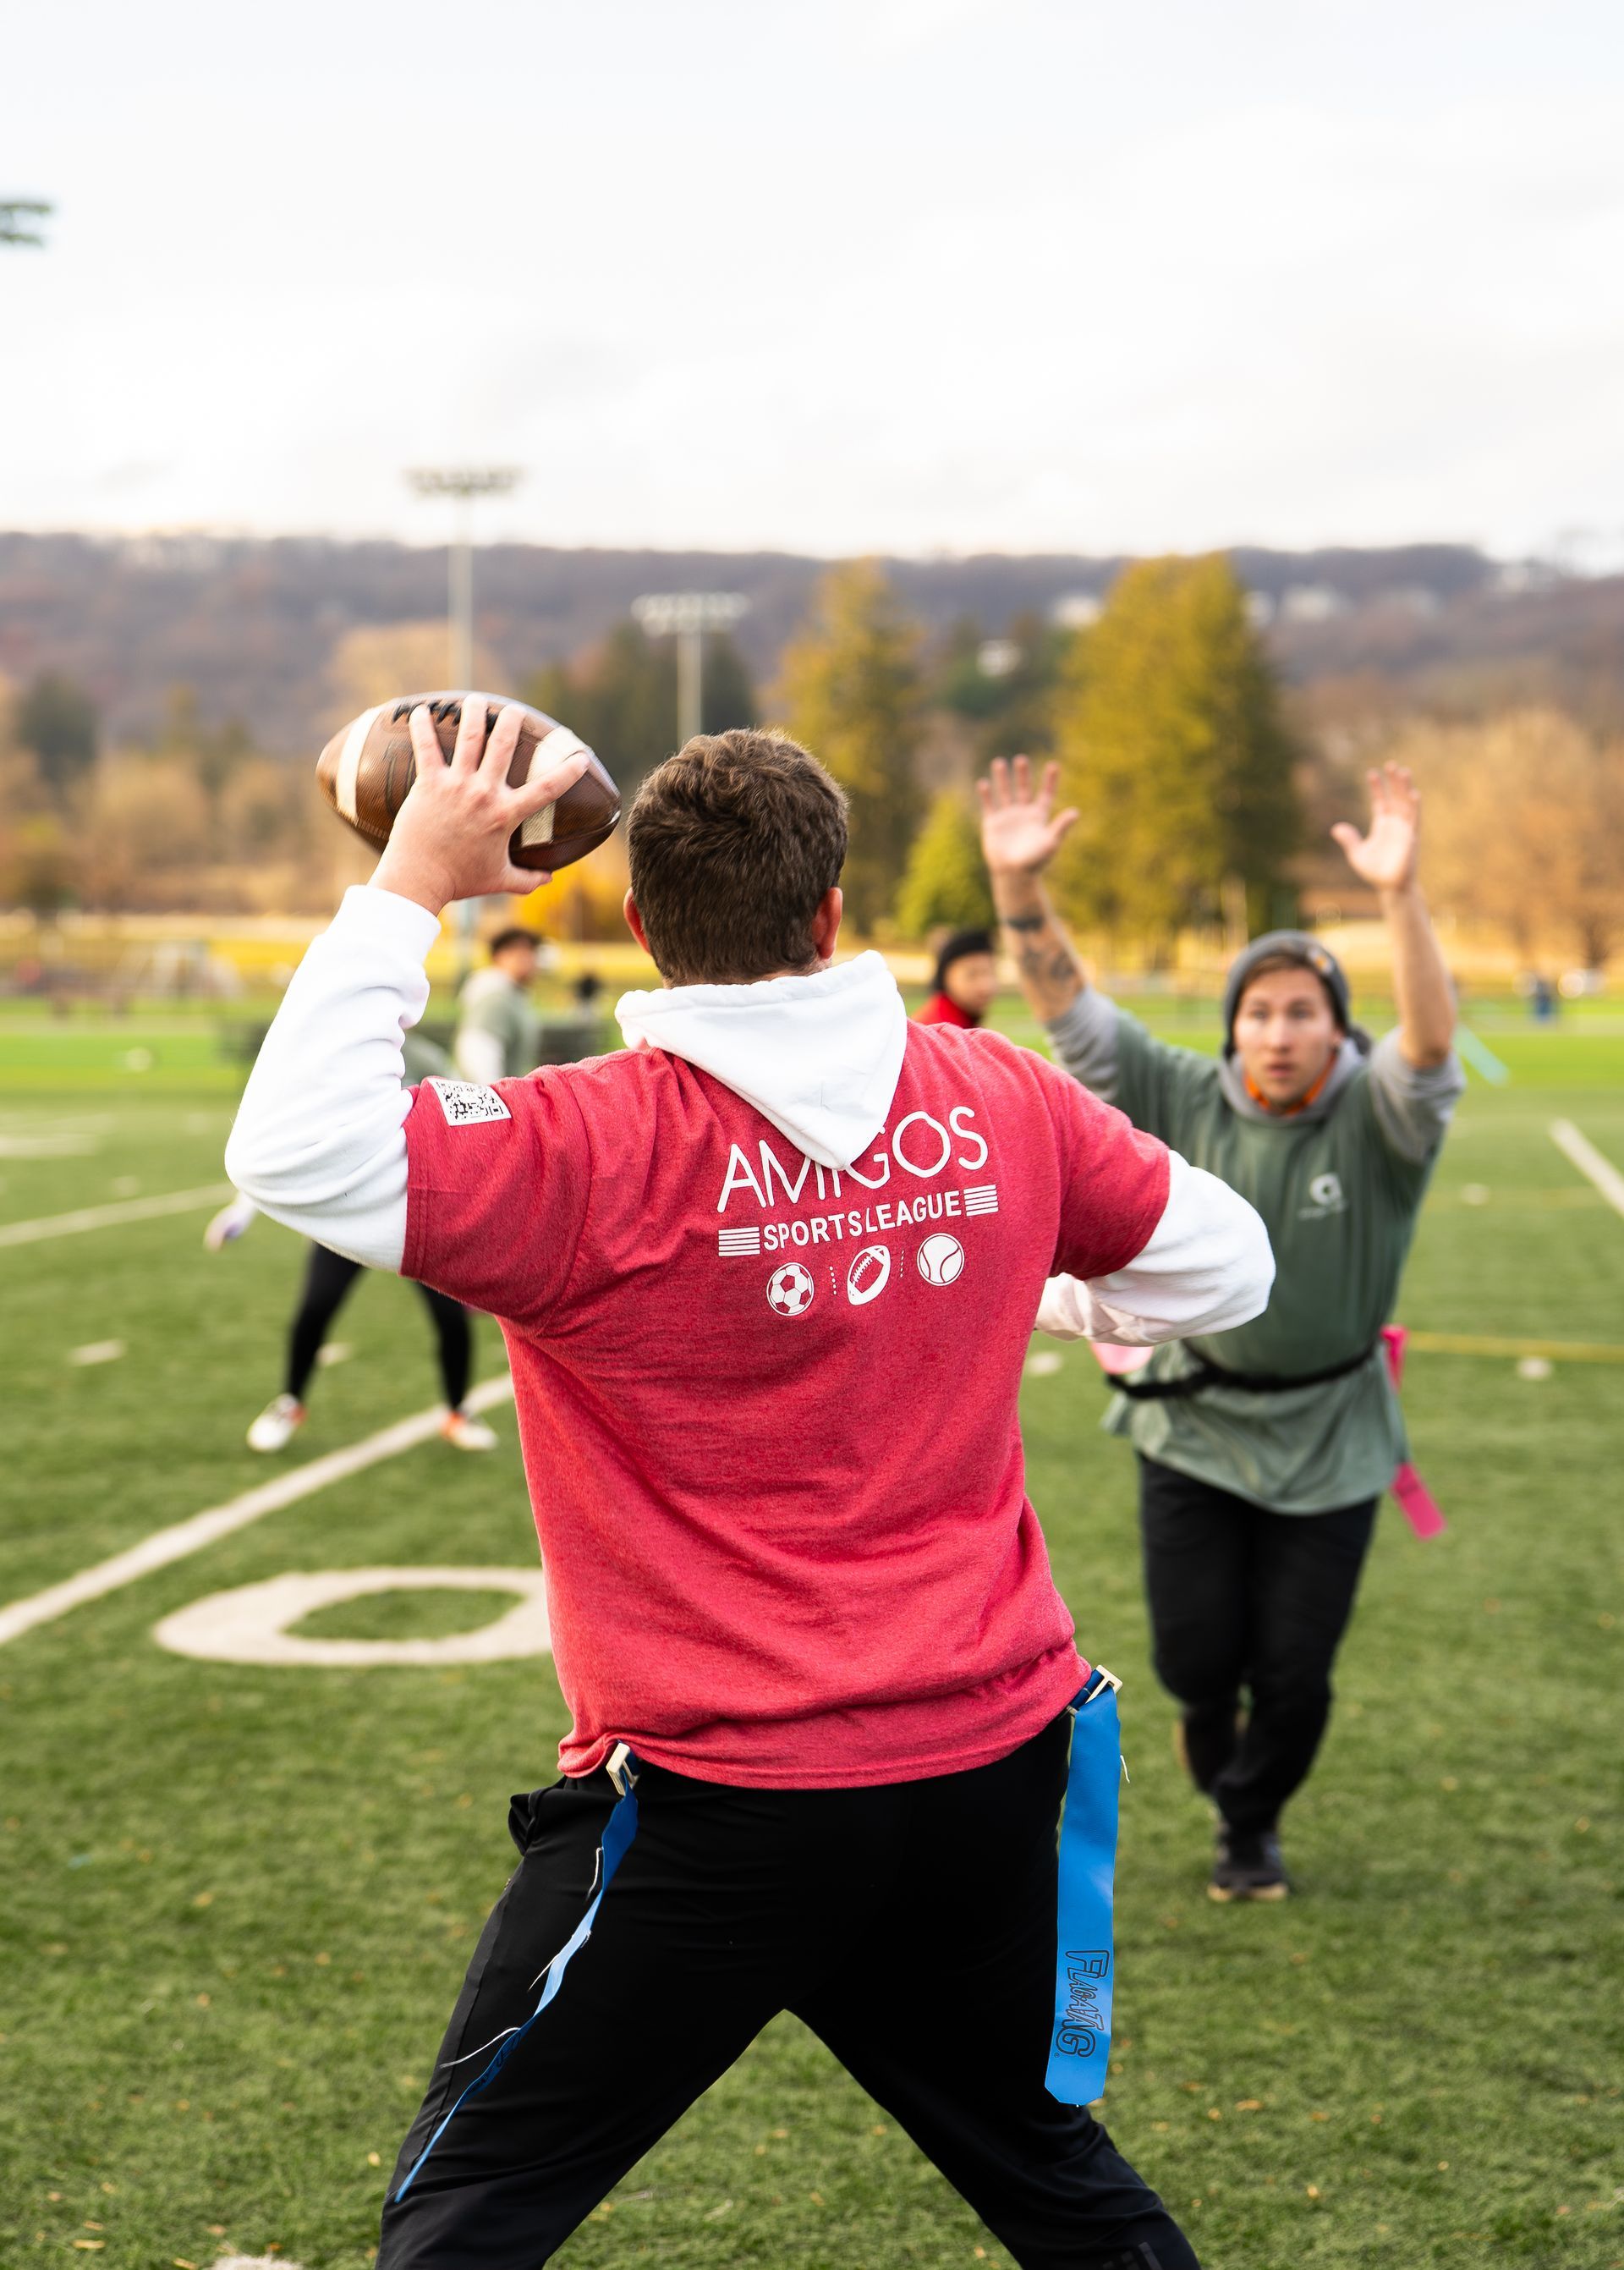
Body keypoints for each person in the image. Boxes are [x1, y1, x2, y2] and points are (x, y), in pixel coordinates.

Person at [226, 706, 1273, 2270]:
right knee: (1051, 2177)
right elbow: (1230, 1266)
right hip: (985, 1765)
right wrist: (1030, 1280)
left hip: (725, 1799)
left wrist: (408, 889)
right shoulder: (1000, 1093)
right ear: (833, 907)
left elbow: (298, 1150)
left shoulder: (589, 1143)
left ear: (643, 926)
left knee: (468, 2212)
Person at [980, 755, 1463, 1904]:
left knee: (1294, 1672)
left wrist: (1398, 895)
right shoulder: (1184, 1093)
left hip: (1336, 1434)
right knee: (1195, 1659)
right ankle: (1220, 1756)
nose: (1280, 1030)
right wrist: (1018, 889)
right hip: (1191, 1428)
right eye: (1260, 1009)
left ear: (1339, 1031)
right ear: (1234, 1024)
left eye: (1305, 1010)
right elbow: (1071, 1013)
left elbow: (1432, 1047)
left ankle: (1252, 1822)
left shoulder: (1382, 1121)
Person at [207, 1034, 499, 1455]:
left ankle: (458, 1411)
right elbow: (293, 1140)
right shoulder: (335, 1064)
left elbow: (470, 1115)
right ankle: (289, 1402)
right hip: (351, 1213)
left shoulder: (425, 1057)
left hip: (417, 1210)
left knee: (450, 1318)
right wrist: (242, 1209)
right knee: (315, 1308)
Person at [453, 926, 544, 1083]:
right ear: (498, 956)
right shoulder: (496, 999)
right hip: (495, 1101)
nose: (528, 958)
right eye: (518, 951)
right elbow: (478, 1056)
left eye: (531, 951)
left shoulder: (513, 997)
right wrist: (498, 1100)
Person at [917, 925, 999, 1026]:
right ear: (945, 976)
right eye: (972, 975)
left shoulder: (962, 1019)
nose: (985, 986)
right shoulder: (942, 1029)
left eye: (991, 972)